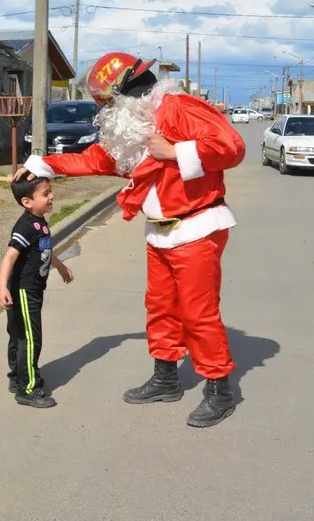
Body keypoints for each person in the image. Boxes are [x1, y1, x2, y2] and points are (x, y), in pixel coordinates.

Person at [15, 51, 246, 428]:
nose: (105, 112)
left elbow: (232, 146)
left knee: (198, 313)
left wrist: (175, 152)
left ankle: (219, 390)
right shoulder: (137, 125)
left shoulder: (179, 107)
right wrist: (43, 165)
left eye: (107, 104)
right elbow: (98, 159)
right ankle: (166, 377)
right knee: (160, 307)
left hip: (197, 226)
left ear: (124, 96)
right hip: (161, 232)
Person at [0, 174, 74, 409]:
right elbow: (10, 256)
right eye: (45, 194)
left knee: (20, 334)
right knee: (30, 339)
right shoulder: (26, 226)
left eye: (50, 191)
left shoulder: (39, 223)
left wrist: (60, 267)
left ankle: (17, 377)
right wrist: (2, 288)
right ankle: (28, 389)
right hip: (23, 291)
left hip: (33, 289)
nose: (51, 196)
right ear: (27, 202)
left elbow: (45, 250)